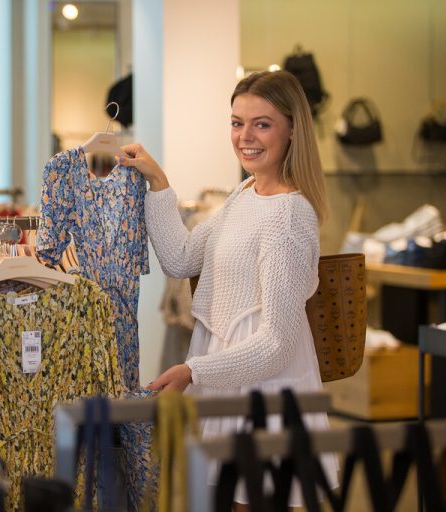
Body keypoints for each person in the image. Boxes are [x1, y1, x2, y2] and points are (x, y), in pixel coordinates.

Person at [118, 70, 338, 511]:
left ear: (292, 128)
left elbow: (276, 343)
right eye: (237, 122)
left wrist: (192, 371)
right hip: (227, 387)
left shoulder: (289, 217)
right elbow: (180, 260)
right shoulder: (244, 194)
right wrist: (157, 183)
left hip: (267, 399)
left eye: (262, 123)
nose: (245, 136)